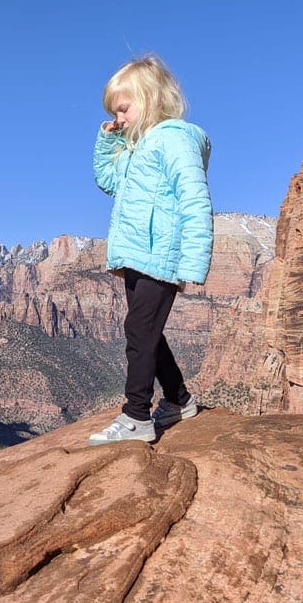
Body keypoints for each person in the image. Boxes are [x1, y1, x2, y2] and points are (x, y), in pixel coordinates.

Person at [88, 55, 214, 446]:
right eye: (115, 112)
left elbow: (195, 198)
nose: (119, 117)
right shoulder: (133, 149)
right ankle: (179, 400)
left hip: (161, 255)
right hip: (136, 257)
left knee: (139, 331)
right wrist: (109, 138)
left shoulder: (174, 139)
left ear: (149, 98)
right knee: (148, 333)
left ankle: (137, 416)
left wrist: (194, 259)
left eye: (123, 109)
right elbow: (107, 181)